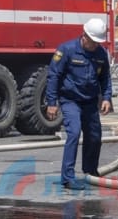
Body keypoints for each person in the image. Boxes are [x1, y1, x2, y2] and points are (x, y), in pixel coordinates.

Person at [46, 18, 112, 190]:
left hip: (90, 101)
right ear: (85, 36)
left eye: (98, 42)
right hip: (70, 100)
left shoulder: (100, 53)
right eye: (93, 42)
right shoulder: (66, 50)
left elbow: (105, 77)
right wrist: (51, 102)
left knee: (95, 136)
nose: (96, 45)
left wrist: (106, 97)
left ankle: (90, 172)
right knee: (74, 133)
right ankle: (67, 178)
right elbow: (53, 76)